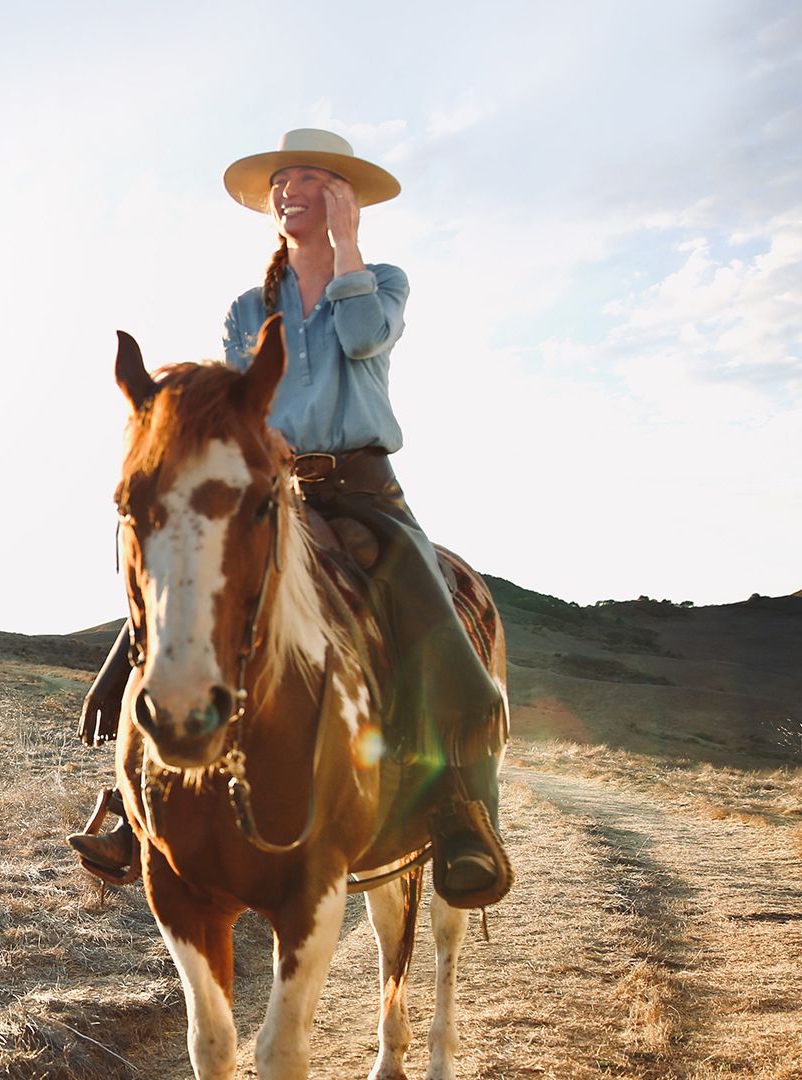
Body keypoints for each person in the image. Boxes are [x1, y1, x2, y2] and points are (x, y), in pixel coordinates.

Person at [67, 128, 512, 909]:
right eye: (281, 181)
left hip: (367, 493)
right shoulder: (248, 308)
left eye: (308, 178)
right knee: (179, 590)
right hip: (275, 494)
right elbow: (238, 402)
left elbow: (364, 338)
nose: (288, 190)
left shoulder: (382, 282)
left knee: (439, 637)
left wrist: (347, 245)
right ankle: (138, 813)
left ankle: (461, 816)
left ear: (342, 193)